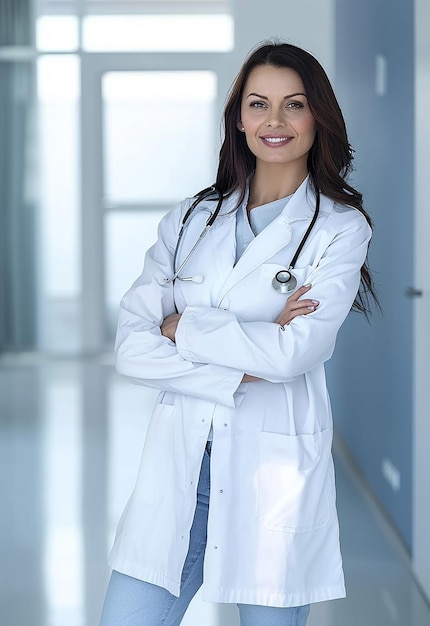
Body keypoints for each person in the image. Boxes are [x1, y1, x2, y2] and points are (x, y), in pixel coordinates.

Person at [100, 40, 378, 626]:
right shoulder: (192, 217)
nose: (273, 122)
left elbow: (297, 353)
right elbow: (131, 347)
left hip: (269, 474)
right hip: (177, 470)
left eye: (293, 105)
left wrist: (185, 328)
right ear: (239, 119)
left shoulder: (339, 228)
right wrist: (252, 348)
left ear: (317, 116)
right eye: (258, 104)